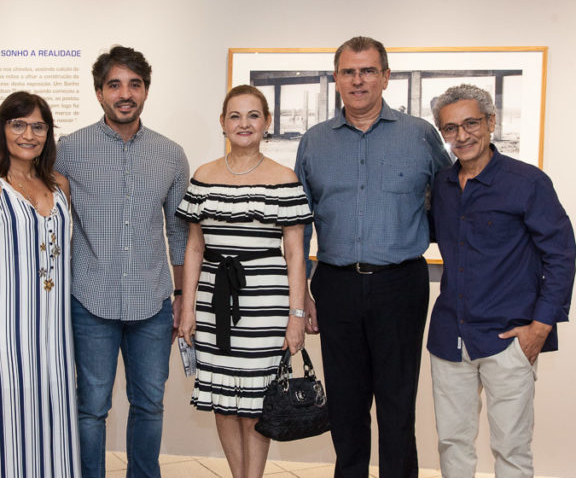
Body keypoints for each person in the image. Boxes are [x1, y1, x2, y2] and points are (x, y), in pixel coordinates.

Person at [295, 36, 452, 477]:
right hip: (336, 284)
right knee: (345, 404)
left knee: (397, 402)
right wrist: (301, 291)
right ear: (336, 78)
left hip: (400, 283)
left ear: (385, 76)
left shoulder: (419, 135)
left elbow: (448, 202)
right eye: (349, 72)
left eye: (367, 71)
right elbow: (299, 224)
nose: (358, 80)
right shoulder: (314, 142)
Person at [54, 45, 189, 478]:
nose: (125, 94)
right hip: (89, 301)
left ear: (146, 90)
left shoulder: (171, 154)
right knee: (91, 407)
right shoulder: (68, 150)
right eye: (114, 85)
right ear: (99, 92)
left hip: (152, 304)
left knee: (149, 404)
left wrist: (183, 298)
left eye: (134, 84)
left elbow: (179, 232)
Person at [428, 84, 575, 477]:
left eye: (471, 123)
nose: (462, 136)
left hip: (509, 336)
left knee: (511, 449)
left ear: (491, 122)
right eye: (450, 128)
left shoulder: (527, 182)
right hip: (450, 335)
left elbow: (561, 254)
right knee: (452, 443)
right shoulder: (441, 186)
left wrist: (540, 327)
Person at [176, 84, 312, 478]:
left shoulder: (284, 178)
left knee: (256, 403)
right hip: (212, 304)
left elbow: (295, 253)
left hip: (266, 309)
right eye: (235, 116)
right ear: (222, 122)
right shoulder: (203, 176)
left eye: (253, 115)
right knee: (222, 400)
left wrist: (296, 316)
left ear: (266, 122)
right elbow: (194, 247)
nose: (244, 124)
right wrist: (188, 310)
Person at [0, 91, 80, 477]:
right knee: (7, 429)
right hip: (4, 336)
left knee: (55, 427)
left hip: (55, 338)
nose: (29, 134)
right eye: (18, 125)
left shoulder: (60, 185)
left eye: (38, 127)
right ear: (2, 129)